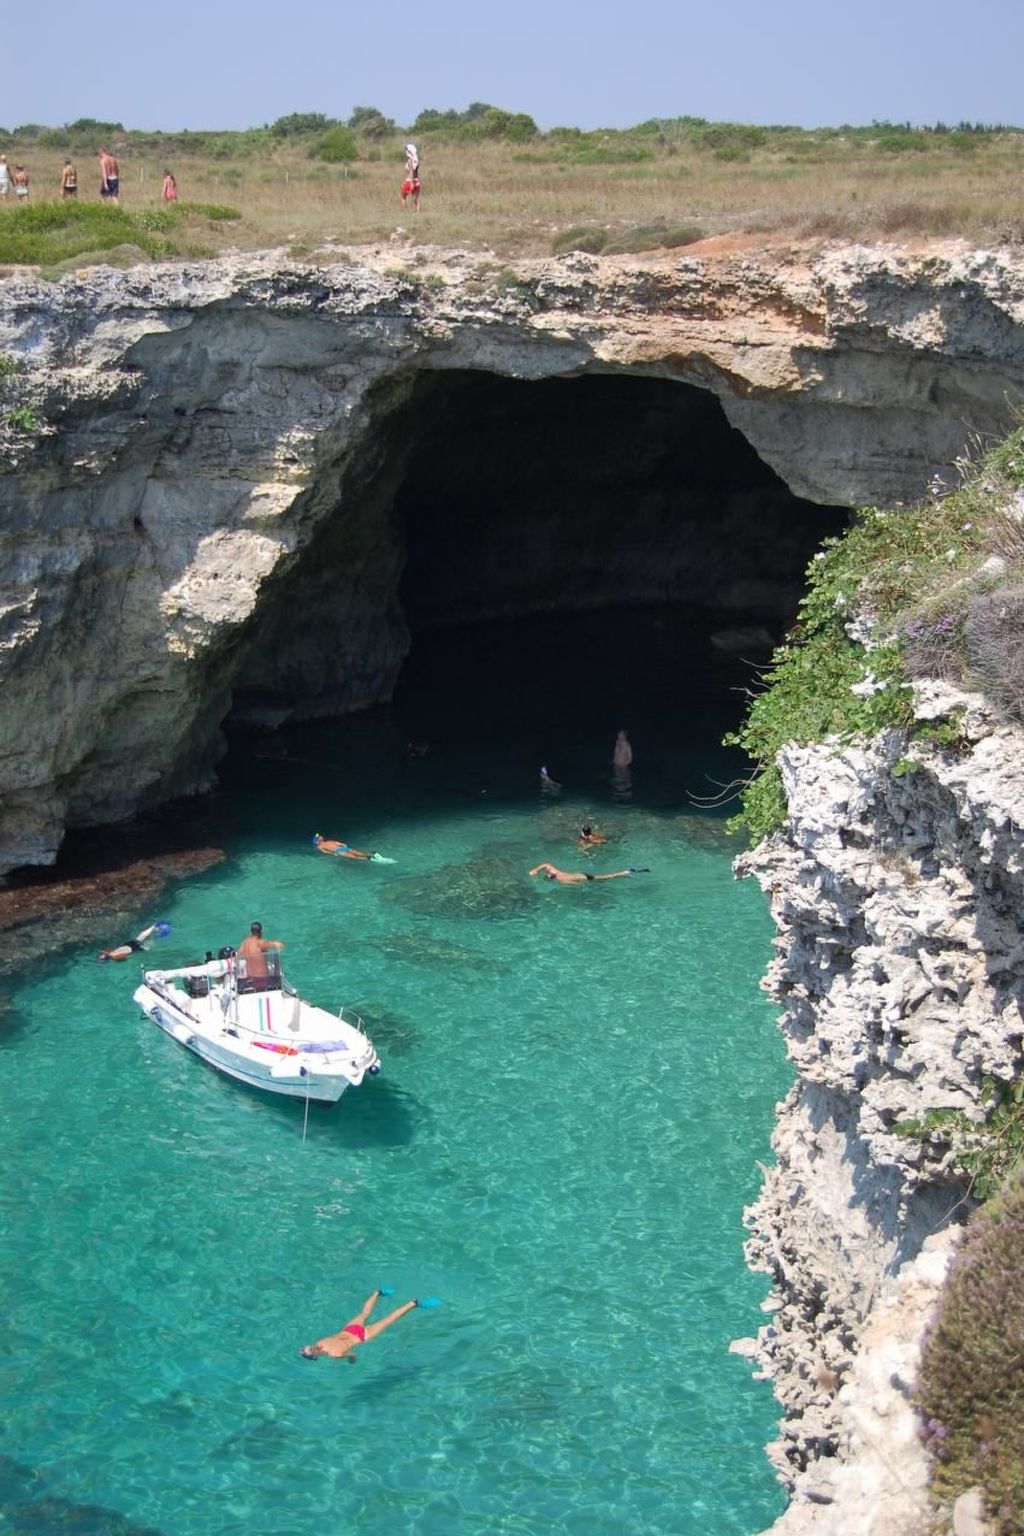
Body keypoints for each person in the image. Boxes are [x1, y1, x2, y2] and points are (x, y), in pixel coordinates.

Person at [300, 1287, 428, 1361]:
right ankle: (377, 1292)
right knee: (365, 1313)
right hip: (350, 1329)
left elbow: (353, 1355)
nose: (312, 1347)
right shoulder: (321, 1341)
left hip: (362, 1336)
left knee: (388, 1320)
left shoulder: (335, 1355)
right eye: (311, 1348)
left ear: (315, 1357)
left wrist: (352, 1360)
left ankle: (413, 1303)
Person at [98, 921, 171, 962]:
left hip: (130, 947)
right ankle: (156, 931)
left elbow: (123, 955)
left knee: (142, 939)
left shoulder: (111, 953)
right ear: (106, 957)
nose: (103, 954)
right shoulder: (114, 956)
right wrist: (110, 954)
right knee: (144, 941)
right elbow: (124, 956)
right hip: (132, 948)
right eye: (103, 956)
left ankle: (155, 927)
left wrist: (108, 953)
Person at [529, 863, 648, 885]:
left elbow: (577, 886)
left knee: (608, 877)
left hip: (585, 878)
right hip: (582, 874)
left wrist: (536, 870)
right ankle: (626, 872)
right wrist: (536, 870)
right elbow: (546, 865)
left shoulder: (562, 881)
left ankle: (627, 872)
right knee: (606, 877)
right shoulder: (558, 873)